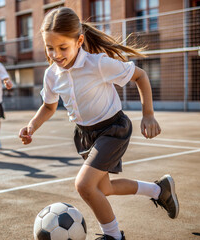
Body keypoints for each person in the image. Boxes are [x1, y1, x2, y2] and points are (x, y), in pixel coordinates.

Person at [19, 8, 179, 240]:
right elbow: (49, 106)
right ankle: (159, 190)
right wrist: (32, 125)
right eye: (49, 48)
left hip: (113, 129)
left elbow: (140, 76)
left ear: (79, 40)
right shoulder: (52, 74)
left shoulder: (98, 64)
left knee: (84, 185)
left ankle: (113, 236)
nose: (55, 54)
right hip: (85, 135)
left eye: (62, 47)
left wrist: (148, 114)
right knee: (104, 189)